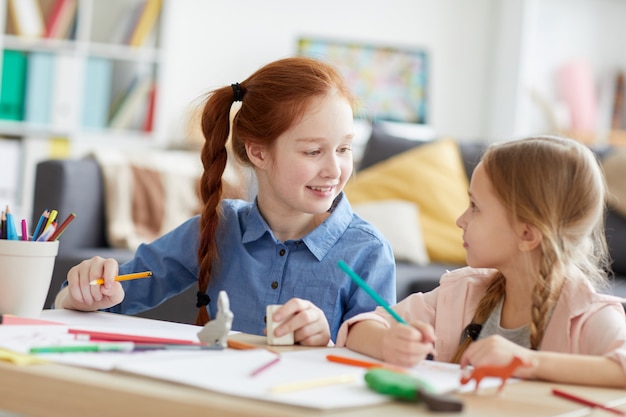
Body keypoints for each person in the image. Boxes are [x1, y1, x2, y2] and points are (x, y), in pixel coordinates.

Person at [54, 56, 396, 346]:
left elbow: (379, 359)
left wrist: (327, 342)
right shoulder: (219, 228)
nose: (335, 169)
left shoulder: (368, 251)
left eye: (344, 149)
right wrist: (81, 292)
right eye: (313, 151)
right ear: (258, 152)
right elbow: (103, 298)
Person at [337, 135, 626, 387]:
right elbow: (360, 327)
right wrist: (388, 342)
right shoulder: (461, 292)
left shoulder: (590, 316)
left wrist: (527, 362)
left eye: (475, 207)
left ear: (527, 233)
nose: (460, 220)